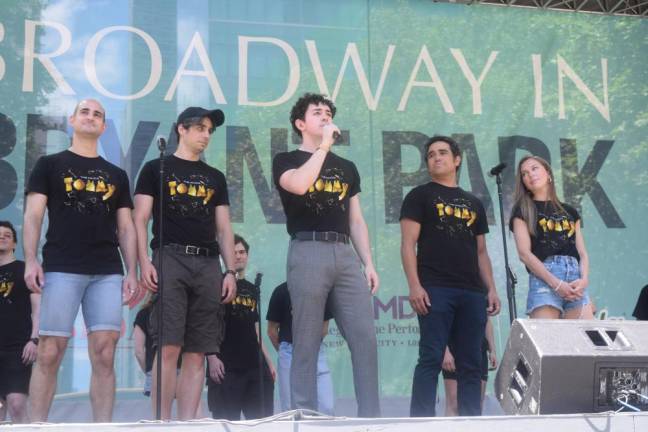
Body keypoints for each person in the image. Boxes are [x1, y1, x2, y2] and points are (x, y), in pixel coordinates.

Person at [23, 99, 138, 422]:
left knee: (104, 353)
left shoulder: (116, 174)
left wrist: (132, 272)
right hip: (61, 266)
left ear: (103, 127)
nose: (91, 117)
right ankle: (36, 428)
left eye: (97, 114)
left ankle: (102, 427)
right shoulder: (49, 164)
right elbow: (33, 216)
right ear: (72, 120)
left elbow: (126, 227)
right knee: (49, 351)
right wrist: (31, 259)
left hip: (106, 270)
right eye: (84, 112)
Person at [272, 93, 380, 417]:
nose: (325, 117)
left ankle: (371, 419)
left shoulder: (346, 168)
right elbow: (300, 185)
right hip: (308, 249)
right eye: (317, 112)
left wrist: (368, 262)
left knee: (364, 337)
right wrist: (323, 148)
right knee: (306, 340)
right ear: (300, 123)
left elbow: (356, 219)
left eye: (329, 112)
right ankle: (304, 417)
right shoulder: (286, 159)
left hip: (344, 252)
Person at [133, 106, 237, 420]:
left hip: (208, 264)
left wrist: (230, 270)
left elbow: (224, 228)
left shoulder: (215, 177)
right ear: (182, 129)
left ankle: (188, 423)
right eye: (200, 128)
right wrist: (143, 262)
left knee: (198, 351)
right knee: (168, 346)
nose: (206, 135)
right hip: (170, 256)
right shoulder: (156, 168)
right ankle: (161, 424)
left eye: (210, 130)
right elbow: (140, 219)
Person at [400, 135, 501, 417]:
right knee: (431, 357)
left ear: (457, 160)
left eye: (443, 152)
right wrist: (414, 285)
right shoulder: (419, 195)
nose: (437, 157)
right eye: (431, 154)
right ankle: (420, 422)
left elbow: (481, 252)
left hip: (472, 291)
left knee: (472, 362)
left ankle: (470, 423)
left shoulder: (474, 203)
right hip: (434, 288)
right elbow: (408, 244)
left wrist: (491, 288)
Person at [509, 155, 593, 319]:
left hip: (576, 278)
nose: (530, 175)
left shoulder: (570, 211)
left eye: (534, 168)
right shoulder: (523, 210)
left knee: (582, 340)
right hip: (545, 277)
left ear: (548, 173)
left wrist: (584, 280)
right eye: (524, 174)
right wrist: (556, 284)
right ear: (524, 183)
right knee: (547, 340)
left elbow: (582, 253)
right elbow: (524, 254)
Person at [206, 235, 275, 420]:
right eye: (234, 252)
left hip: (254, 366)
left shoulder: (253, 289)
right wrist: (211, 358)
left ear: (247, 255)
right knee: (227, 423)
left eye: (242, 252)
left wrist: (268, 361)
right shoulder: (215, 284)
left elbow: (255, 328)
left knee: (262, 421)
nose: (238, 256)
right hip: (225, 366)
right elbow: (205, 324)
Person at [267, 281, 335, 415]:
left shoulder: (321, 290)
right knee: (291, 410)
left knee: (326, 407)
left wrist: (309, 346)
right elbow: (272, 330)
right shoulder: (281, 291)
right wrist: (284, 351)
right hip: (289, 350)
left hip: (315, 350)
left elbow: (324, 328)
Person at [0, 221, 40, 423]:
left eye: (7, 235)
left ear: (15, 243)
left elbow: (38, 309)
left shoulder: (25, 271)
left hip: (18, 348)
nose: (2, 237)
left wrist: (34, 340)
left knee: (17, 404)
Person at [442, 318, 497, 416]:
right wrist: (445, 351)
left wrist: (492, 350)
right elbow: (439, 321)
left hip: (478, 348)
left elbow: (486, 319)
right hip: (455, 346)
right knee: (454, 404)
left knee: (477, 403)